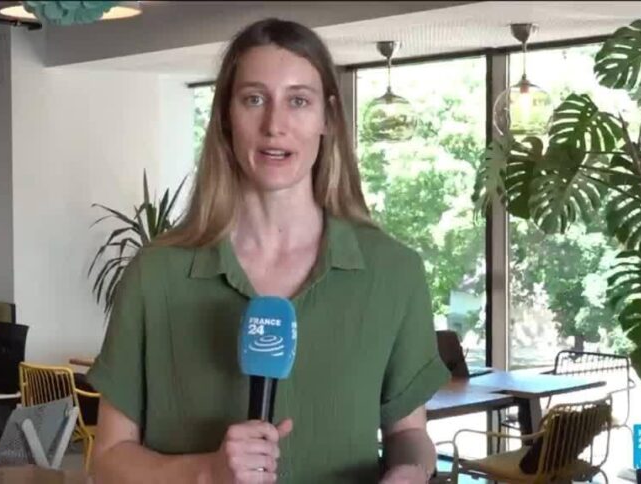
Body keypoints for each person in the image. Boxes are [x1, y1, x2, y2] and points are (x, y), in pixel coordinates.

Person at [88, 17, 450, 484]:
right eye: (254, 99)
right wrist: (207, 472)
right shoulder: (155, 274)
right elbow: (108, 459)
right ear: (226, 116)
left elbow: (409, 433)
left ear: (327, 118)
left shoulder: (394, 272)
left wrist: (411, 471)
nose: (274, 125)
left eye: (298, 101)